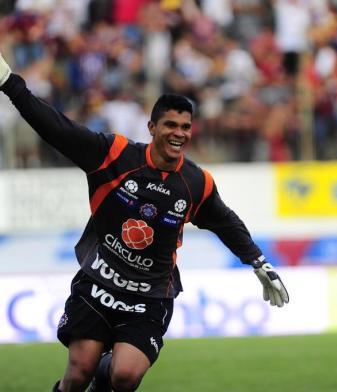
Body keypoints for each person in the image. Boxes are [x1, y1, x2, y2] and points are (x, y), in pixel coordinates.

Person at [0, 53, 289, 392]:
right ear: (152, 127)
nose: (178, 134)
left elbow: (226, 222)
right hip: (99, 282)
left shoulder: (196, 183)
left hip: (150, 294)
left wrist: (258, 262)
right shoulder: (114, 155)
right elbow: (57, 130)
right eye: (170, 125)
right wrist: (9, 84)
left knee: (124, 375)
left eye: (185, 127)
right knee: (78, 372)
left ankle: (103, 378)